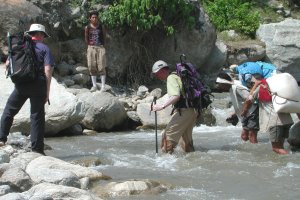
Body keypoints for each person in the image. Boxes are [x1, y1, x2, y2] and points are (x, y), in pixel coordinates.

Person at [0, 24, 54, 155]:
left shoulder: (20, 46)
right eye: (43, 35)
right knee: (36, 117)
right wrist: (47, 91)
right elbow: (48, 69)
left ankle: (1, 138)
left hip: (21, 84)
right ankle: (37, 150)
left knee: (9, 110)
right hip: (38, 85)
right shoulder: (44, 48)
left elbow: (8, 64)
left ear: (31, 33)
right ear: (40, 35)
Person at [151, 60, 198, 154]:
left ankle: (165, 163)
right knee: (185, 140)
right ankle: (192, 160)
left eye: (157, 74)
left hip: (184, 111)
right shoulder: (178, 75)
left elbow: (176, 96)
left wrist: (162, 106)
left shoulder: (171, 78)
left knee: (167, 136)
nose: (156, 76)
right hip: (192, 111)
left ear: (162, 71)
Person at [244, 73, 293, 154]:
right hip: (287, 120)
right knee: (281, 146)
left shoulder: (261, 87)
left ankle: (293, 163)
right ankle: (284, 165)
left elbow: (249, 99)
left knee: (276, 148)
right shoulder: (280, 89)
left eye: (252, 83)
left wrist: (244, 111)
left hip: (275, 122)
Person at [216, 72, 259, 143]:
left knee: (252, 135)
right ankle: (249, 151)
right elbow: (239, 102)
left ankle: (256, 151)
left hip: (252, 112)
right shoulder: (230, 88)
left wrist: (245, 110)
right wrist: (235, 113)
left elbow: (250, 98)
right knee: (244, 136)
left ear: (225, 83)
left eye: (220, 84)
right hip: (245, 113)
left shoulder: (237, 87)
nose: (219, 86)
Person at [85, 11, 107, 92]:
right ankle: (94, 86)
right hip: (91, 47)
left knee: (101, 66)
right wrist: (89, 46)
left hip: (100, 47)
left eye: (96, 17)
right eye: (93, 17)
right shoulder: (87, 27)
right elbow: (86, 38)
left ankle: (103, 86)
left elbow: (104, 37)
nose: (94, 19)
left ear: (98, 18)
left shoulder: (101, 27)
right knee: (91, 66)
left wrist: (103, 46)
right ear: (90, 18)